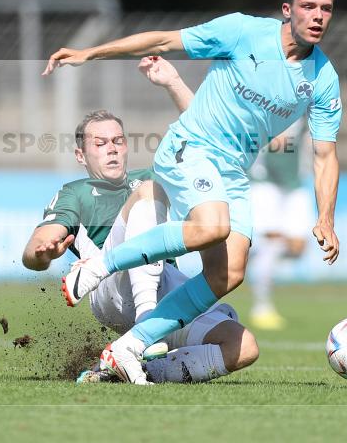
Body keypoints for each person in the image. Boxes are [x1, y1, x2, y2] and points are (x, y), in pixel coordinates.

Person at [42, 0, 343, 384]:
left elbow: (325, 156)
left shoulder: (324, 80)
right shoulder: (243, 32)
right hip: (191, 147)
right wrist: (90, 53)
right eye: (308, 6)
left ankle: (128, 349)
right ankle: (95, 267)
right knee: (212, 226)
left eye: (326, 9)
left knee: (229, 272)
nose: (317, 16)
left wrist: (325, 217)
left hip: (233, 171)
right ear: (286, 9)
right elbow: (165, 39)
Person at [22, 60, 259, 384]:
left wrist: (174, 81)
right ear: (81, 155)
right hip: (111, 290)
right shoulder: (75, 193)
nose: (112, 150)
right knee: (151, 189)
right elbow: (34, 251)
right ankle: (149, 321)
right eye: (100, 143)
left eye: (118, 141)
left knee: (243, 347)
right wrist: (44, 252)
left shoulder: (150, 176)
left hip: (165, 283)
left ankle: (126, 366)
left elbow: (205, 135)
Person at [248, 122, 313, 330]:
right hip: (266, 181)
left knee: (298, 247)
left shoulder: (307, 101)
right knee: (272, 242)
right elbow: (277, 142)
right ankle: (262, 308)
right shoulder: (266, 101)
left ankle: (247, 257)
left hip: (294, 182)